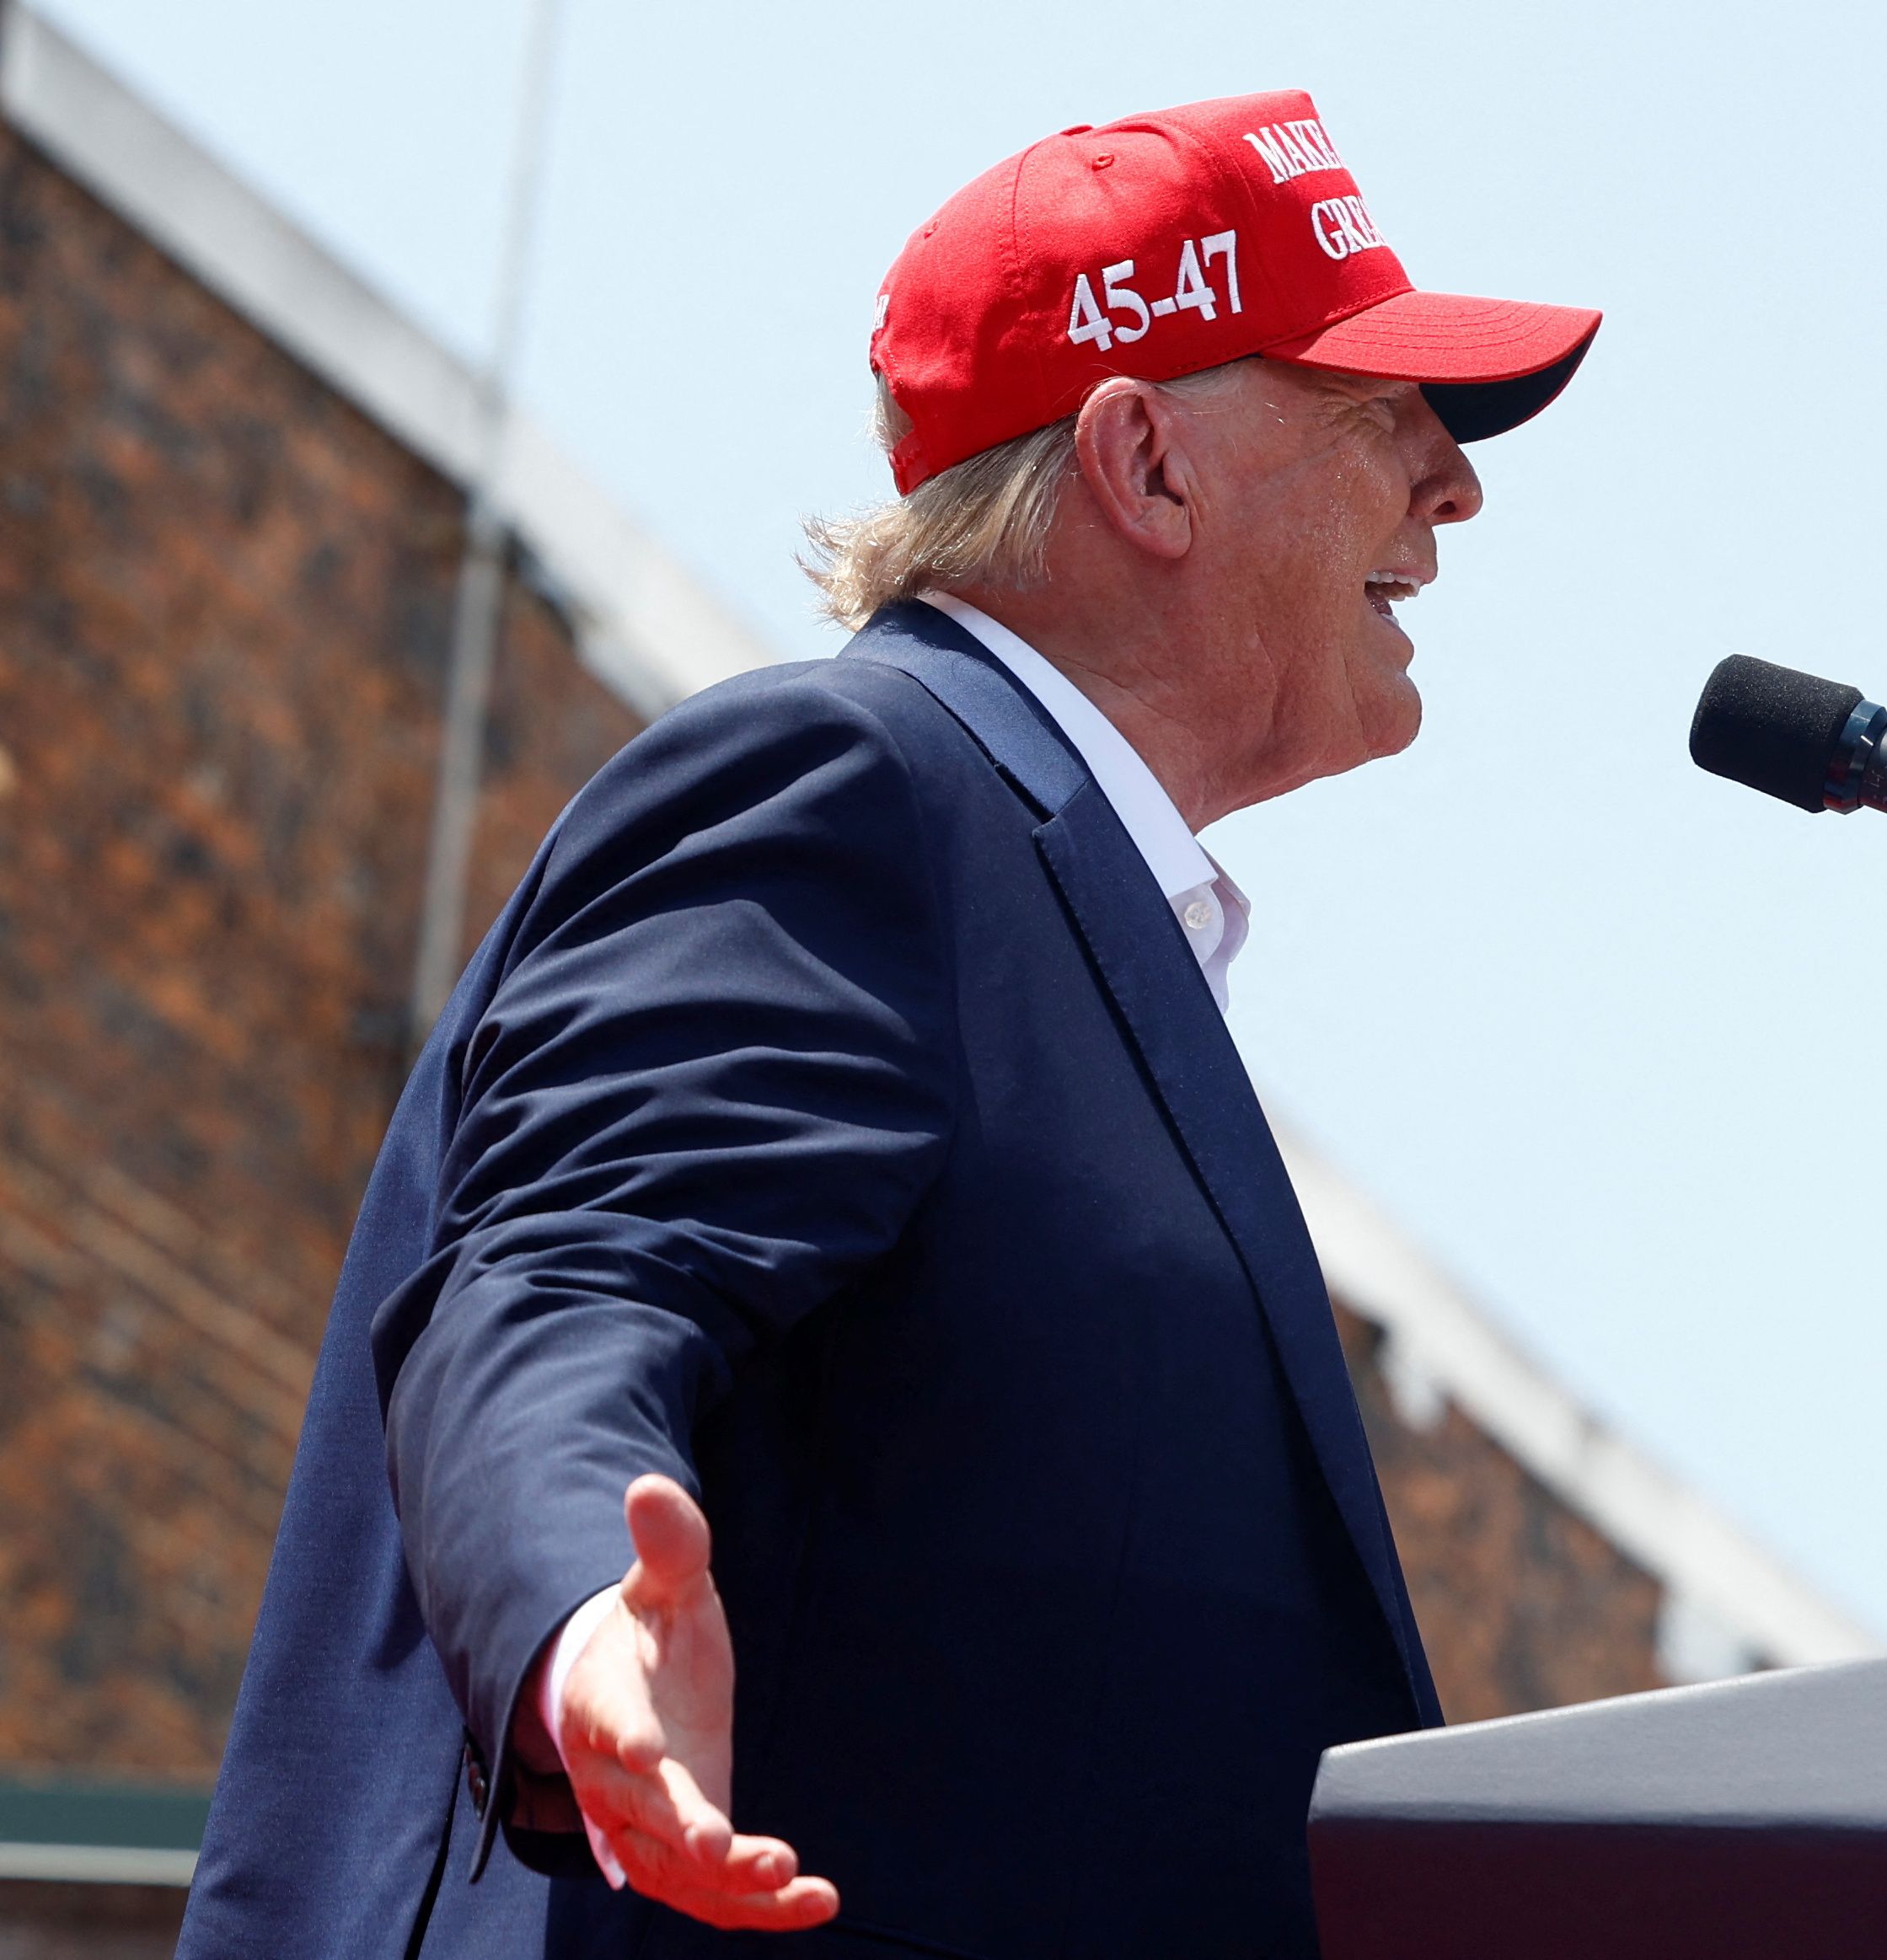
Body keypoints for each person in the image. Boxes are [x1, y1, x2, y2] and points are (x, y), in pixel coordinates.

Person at [176, 88, 1597, 1960]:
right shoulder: (850, 785)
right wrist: (588, 1609)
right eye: (1378, 415)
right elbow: (562, 1277)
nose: (1456, 484)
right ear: (1146, 465)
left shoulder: (1052, 894)